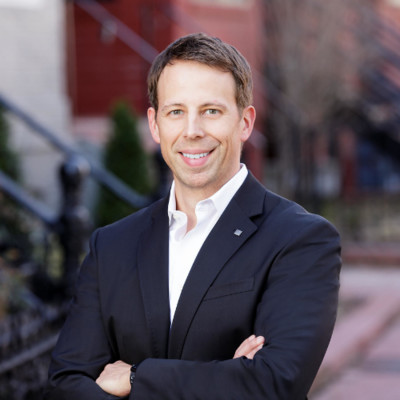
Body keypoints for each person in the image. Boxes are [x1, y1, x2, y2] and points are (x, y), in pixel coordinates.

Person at [45, 33, 341, 400]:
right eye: (176, 112)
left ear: (245, 122)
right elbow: (65, 386)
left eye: (211, 111)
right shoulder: (112, 246)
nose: (192, 131)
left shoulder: (300, 240)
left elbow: (272, 384)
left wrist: (136, 378)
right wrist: (227, 377)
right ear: (155, 125)